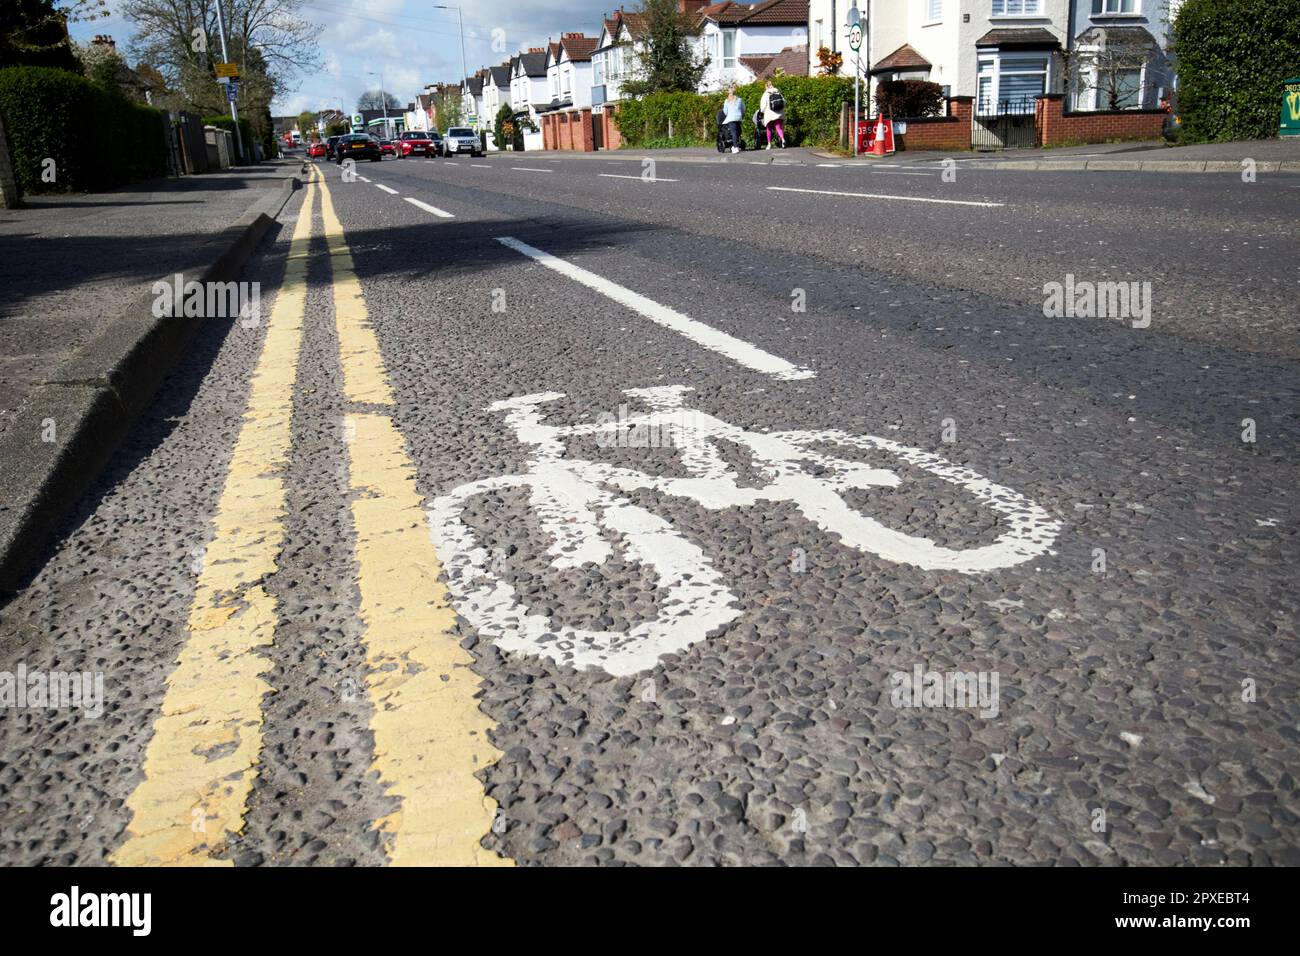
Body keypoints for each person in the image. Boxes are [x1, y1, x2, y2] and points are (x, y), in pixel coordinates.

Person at [759, 81, 786, 149]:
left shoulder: (765, 94)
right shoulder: (778, 92)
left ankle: (769, 144)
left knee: (769, 129)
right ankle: (783, 139)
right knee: (778, 127)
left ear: (766, 87)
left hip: (769, 114)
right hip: (779, 113)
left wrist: (762, 112)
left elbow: (763, 106)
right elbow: (784, 102)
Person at [722, 89, 745, 153]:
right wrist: (741, 115)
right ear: (735, 93)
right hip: (738, 118)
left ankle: (735, 147)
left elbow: (725, 111)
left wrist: (729, 115)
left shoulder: (727, 101)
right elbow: (743, 109)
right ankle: (735, 145)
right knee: (738, 132)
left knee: (733, 133)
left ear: (728, 93)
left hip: (731, 118)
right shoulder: (739, 100)